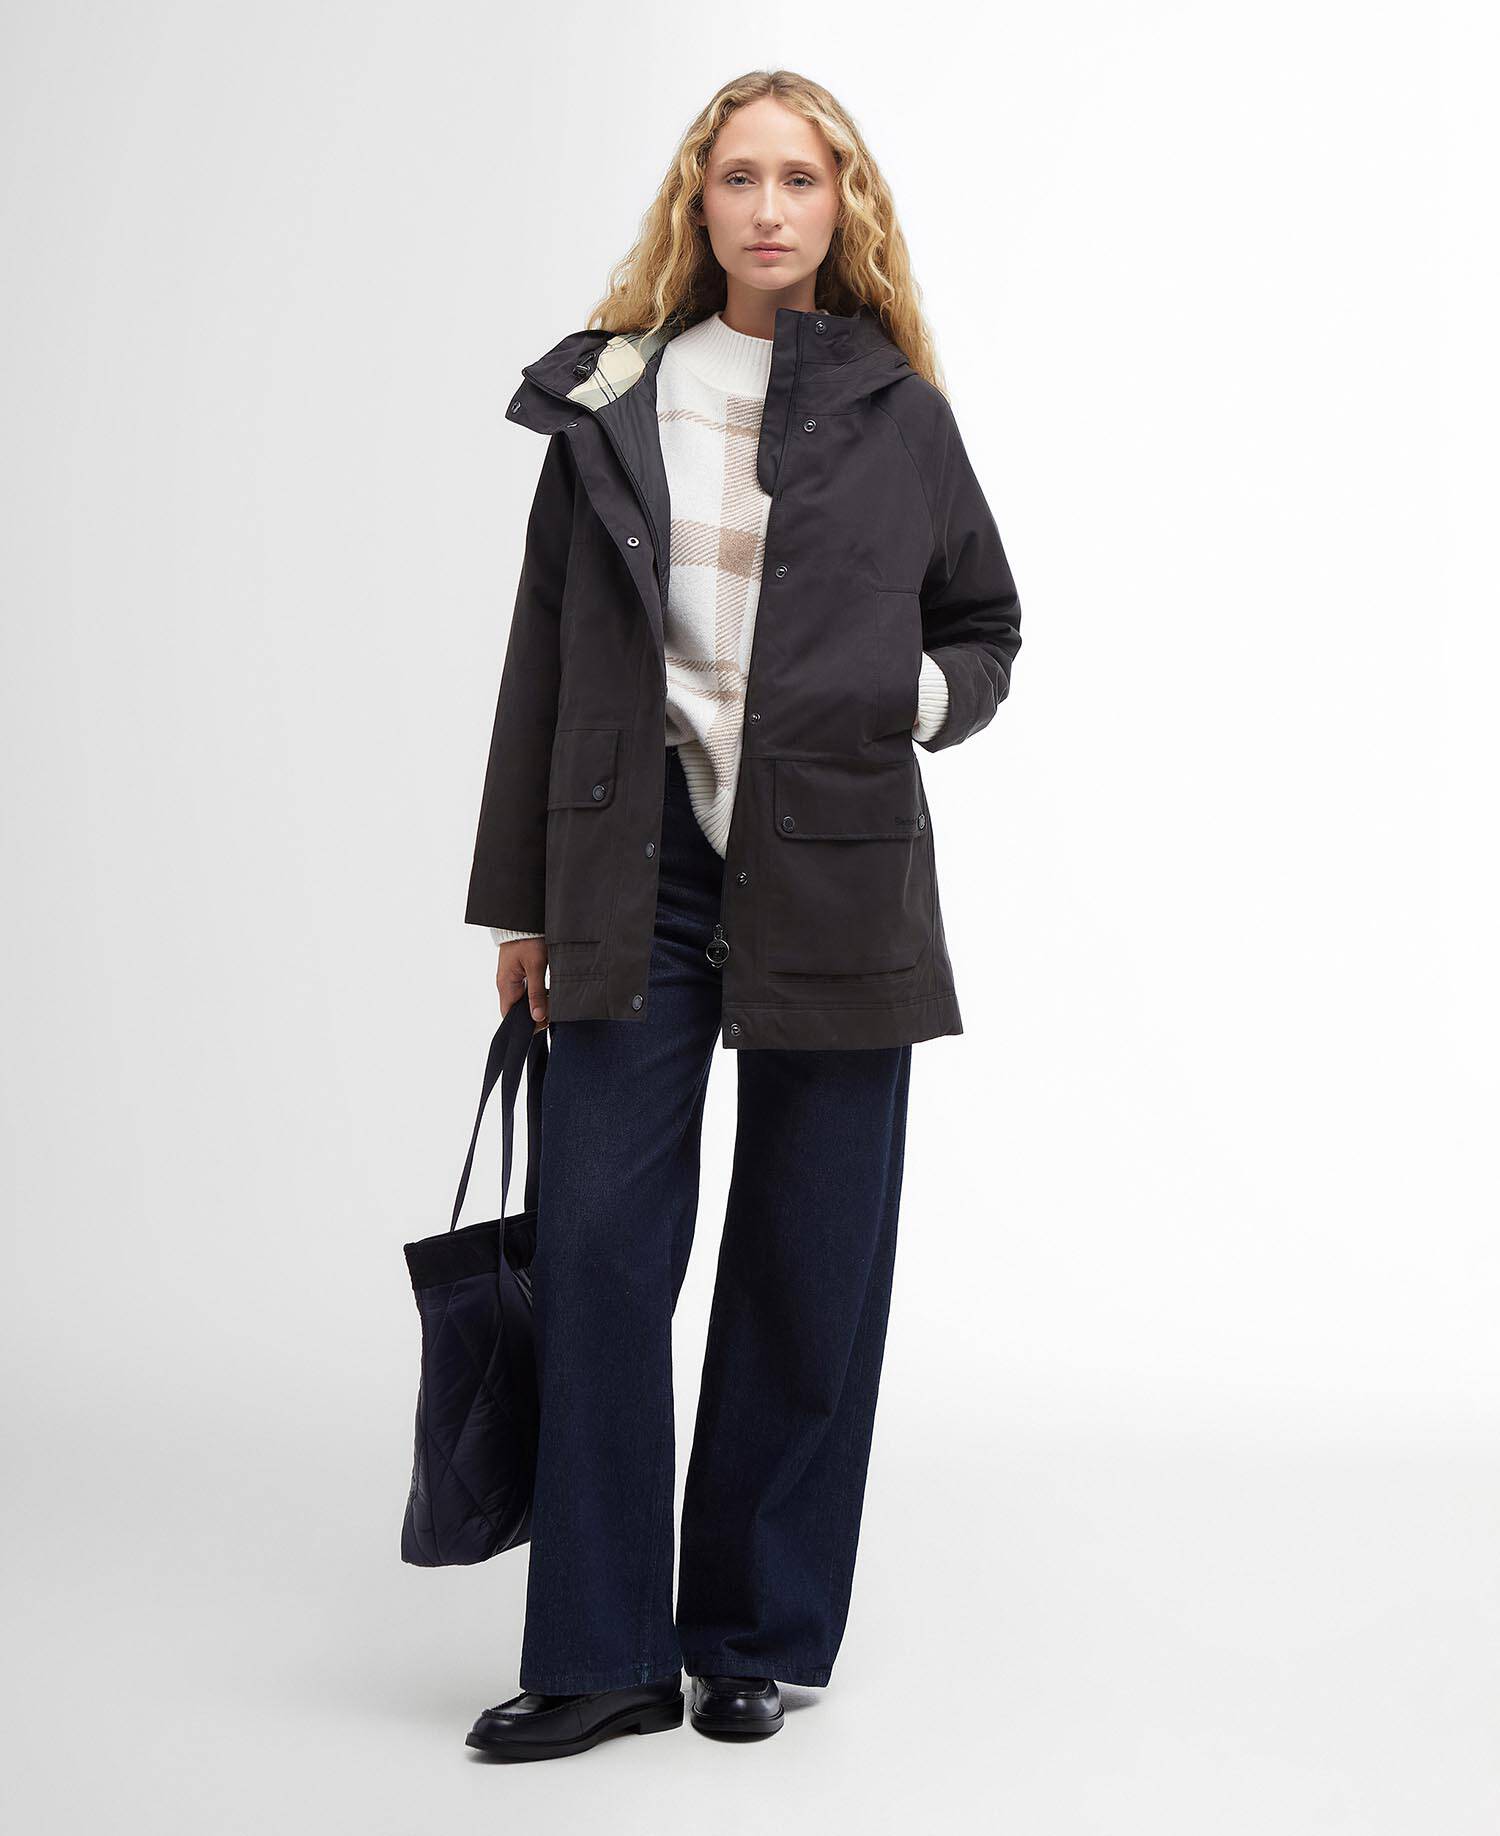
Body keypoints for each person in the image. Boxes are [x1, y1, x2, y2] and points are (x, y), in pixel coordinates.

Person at [461, 68, 1022, 1761]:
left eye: (802, 178)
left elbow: (984, 624)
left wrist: (901, 702)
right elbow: (543, 655)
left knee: (807, 1260)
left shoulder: (897, 414)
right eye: (738, 177)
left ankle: (753, 1636)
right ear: (694, 203)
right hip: (630, 867)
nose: (769, 208)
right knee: (601, 1255)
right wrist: (520, 905)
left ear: (845, 206)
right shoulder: (613, 397)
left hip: (838, 867)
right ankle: (603, 1654)